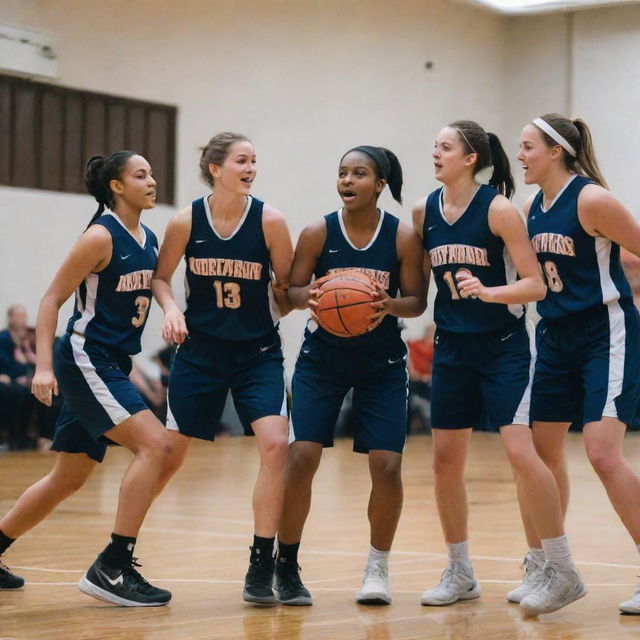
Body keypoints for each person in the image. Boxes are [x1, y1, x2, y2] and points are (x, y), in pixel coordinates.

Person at [414, 120, 585, 615]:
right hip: (451, 348)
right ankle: (460, 571)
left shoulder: (501, 210)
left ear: (470, 158)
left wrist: (489, 292)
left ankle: (558, 567)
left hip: (503, 347)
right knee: (445, 460)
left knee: (520, 452)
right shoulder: (424, 210)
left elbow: (535, 285)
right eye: (435, 145)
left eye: (445, 146)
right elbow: (419, 286)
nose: (436, 152)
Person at [0, 151, 173, 606]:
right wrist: (41, 366)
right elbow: (51, 298)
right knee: (157, 445)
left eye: (152, 173)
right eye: (141, 175)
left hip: (112, 361)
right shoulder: (99, 236)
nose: (152, 181)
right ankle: (113, 567)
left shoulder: (149, 236)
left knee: (68, 477)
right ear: (117, 186)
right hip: (85, 357)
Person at [276, 145, 425, 606]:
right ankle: (286, 565)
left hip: (381, 362)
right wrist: (311, 295)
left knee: (387, 465)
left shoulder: (401, 236)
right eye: (342, 173)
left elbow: (418, 302)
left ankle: (377, 567)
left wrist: (386, 305)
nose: (348, 180)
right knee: (301, 458)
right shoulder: (318, 231)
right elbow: (291, 293)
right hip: (322, 359)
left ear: (380, 184)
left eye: (359, 174)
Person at [152, 132, 293, 605]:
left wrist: (314, 296)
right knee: (168, 453)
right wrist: (170, 309)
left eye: (254, 160)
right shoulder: (185, 220)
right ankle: (119, 550)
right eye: (241, 160)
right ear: (215, 168)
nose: (251, 167)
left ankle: (261, 561)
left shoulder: (271, 221)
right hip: (201, 351)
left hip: (256, 352)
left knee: (276, 445)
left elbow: (287, 293)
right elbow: (159, 278)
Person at [519, 113, 640, 615]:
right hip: (554, 337)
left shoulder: (592, 199)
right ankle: (552, 566)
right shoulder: (532, 206)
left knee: (601, 452)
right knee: (537, 450)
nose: (520, 156)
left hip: (604, 334)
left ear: (555, 151)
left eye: (527, 147)